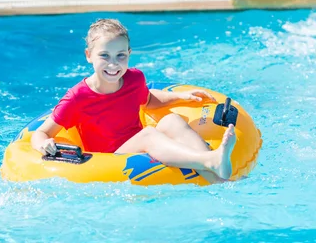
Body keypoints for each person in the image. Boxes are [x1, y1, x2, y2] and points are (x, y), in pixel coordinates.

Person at [31, 18, 236, 183]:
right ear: (89, 55)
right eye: (105, 55)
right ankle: (209, 159)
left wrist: (180, 97)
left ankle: (215, 175)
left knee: (171, 121)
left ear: (129, 54)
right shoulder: (78, 97)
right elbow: (42, 132)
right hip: (110, 160)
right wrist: (43, 144)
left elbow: (148, 100)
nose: (113, 64)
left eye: (120, 55)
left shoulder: (134, 78)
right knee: (148, 134)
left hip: (139, 143)